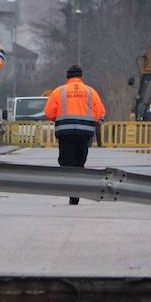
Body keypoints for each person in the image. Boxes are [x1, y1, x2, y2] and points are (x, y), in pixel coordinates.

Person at [43, 64, 106, 205]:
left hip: (65, 133)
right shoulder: (90, 92)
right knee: (80, 162)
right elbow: (100, 112)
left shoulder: (59, 91)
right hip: (85, 133)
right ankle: (77, 190)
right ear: (81, 77)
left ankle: (72, 191)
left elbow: (48, 112)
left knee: (67, 162)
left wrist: (59, 118)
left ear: (67, 77)